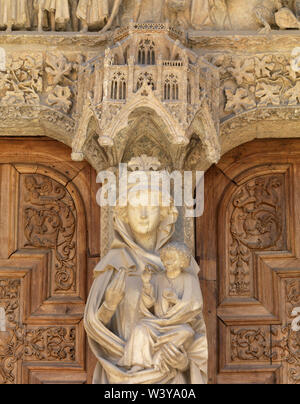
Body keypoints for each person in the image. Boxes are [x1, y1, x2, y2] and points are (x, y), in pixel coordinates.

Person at [84, 162, 208, 384]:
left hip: (170, 375)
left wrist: (185, 363)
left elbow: (196, 332)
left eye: (150, 206)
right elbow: (95, 326)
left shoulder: (183, 270)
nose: (142, 214)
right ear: (124, 213)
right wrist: (109, 305)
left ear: (163, 213)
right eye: (135, 206)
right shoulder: (114, 266)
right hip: (123, 374)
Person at [119, 242, 202, 374]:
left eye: (172, 258)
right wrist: (146, 283)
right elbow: (148, 304)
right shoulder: (158, 278)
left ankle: (161, 356)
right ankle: (139, 363)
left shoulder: (189, 279)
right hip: (157, 322)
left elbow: (196, 305)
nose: (168, 262)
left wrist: (177, 301)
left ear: (182, 260)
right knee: (140, 329)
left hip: (177, 324)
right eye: (166, 258)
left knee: (187, 333)